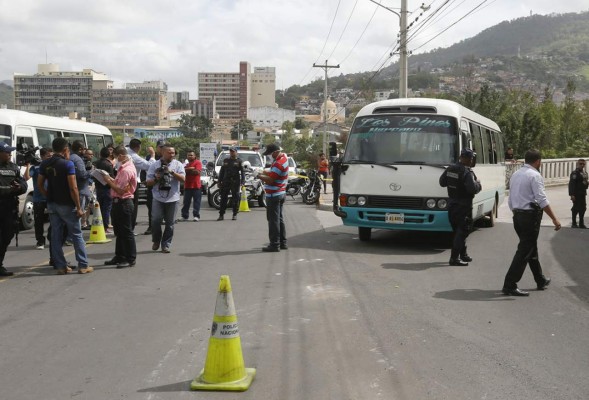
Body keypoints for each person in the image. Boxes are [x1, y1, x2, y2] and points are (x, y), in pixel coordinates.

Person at [502, 149, 560, 297]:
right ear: (538, 161)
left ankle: (540, 280)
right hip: (529, 218)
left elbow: (510, 198)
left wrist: (516, 211)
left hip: (517, 216)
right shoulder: (535, 175)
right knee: (524, 251)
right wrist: (554, 218)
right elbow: (541, 200)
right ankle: (509, 284)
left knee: (530, 249)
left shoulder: (516, 174)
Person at [38, 137, 93, 275]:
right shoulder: (67, 164)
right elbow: (73, 187)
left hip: (52, 204)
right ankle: (83, 265)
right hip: (67, 204)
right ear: (65, 149)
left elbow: (40, 184)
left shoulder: (45, 164)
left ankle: (61, 266)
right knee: (76, 235)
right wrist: (79, 207)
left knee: (56, 235)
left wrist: (48, 196)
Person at [439, 148, 482, 266]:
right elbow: (472, 189)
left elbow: (442, 183)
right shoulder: (466, 172)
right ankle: (454, 259)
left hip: (452, 206)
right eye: (471, 158)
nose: (472, 160)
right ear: (467, 159)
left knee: (458, 232)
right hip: (464, 208)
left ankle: (463, 254)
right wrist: (478, 184)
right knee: (462, 232)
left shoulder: (450, 168)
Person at [102, 146, 137, 268]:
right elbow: (118, 184)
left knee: (126, 232)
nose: (115, 159)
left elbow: (121, 190)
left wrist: (107, 180)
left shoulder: (127, 170)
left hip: (124, 202)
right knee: (119, 232)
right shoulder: (123, 168)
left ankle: (130, 258)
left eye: (115, 157)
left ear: (121, 156)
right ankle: (120, 256)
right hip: (118, 202)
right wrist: (111, 179)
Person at [146, 144, 185, 253]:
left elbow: (183, 179)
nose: (172, 155)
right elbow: (148, 182)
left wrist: (171, 172)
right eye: (169, 152)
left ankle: (166, 244)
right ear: (162, 153)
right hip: (158, 198)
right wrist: (156, 178)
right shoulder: (154, 165)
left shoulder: (178, 164)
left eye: (173, 153)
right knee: (155, 220)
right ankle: (156, 240)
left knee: (170, 223)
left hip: (173, 198)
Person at [0, 142, 28, 277]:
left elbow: (23, 183)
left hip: (9, 209)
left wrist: (19, 187)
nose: (10, 154)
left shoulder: (13, 167)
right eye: (7, 152)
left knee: (7, 236)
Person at [258, 143, 289, 252]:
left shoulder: (278, 163)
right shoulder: (283, 159)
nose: (270, 156)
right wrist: (263, 171)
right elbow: (273, 173)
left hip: (274, 195)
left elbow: (271, 180)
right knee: (279, 219)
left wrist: (258, 176)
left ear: (275, 152)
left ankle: (274, 244)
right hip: (280, 193)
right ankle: (282, 242)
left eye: (270, 154)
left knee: (273, 221)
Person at [128, 138, 155, 230]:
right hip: (132, 183)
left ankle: (127, 228)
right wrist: (152, 155)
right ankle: (130, 228)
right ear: (138, 147)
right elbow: (149, 166)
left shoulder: (125, 153)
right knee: (132, 207)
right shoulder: (134, 156)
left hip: (122, 183)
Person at [29, 148, 53, 249]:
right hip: (38, 199)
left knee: (54, 220)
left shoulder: (53, 167)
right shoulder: (35, 168)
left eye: (52, 156)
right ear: (42, 156)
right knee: (38, 221)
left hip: (51, 197)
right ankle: (40, 241)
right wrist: (27, 165)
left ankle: (50, 236)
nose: (50, 158)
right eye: (48, 156)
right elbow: (26, 177)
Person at [69, 140, 93, 230]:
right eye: (84, 149)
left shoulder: (70, 157)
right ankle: (74, 236)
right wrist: (91, 171)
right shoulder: (77, 159)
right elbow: (83, 175)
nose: (85, 152)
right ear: (80, 149)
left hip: (73, 189)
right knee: (78, 214)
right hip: (80, 190)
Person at [143, 139, 164, 235]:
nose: (162, 149)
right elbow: (145, 169)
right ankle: (151, 226)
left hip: (164, 187)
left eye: (164, 147)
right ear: (157, 147)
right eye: (161, 147)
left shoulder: (167, 157)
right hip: (152, 186)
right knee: (151, 207)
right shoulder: (150, 157)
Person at [217, 147, 245, 221]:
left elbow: (242, 172)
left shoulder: (239, 161)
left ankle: (235, 214)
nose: (232, 153)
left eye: (233, 151)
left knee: (235, 198)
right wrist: (219, 181)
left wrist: (243, 182)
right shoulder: (226, 160)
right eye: (231, 151)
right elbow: (222, 171)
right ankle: (221, 214)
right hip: (226, 181)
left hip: (235, 182)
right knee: (223, 198)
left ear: (236, 152)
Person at [94, 147, 115, 234]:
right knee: (106, 209)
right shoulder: (108, 164)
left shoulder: (95, 163)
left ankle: (101, 225)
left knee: (101, 208)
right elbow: (112, 177)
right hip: (107, 188)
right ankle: (105, 227)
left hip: (98, 188)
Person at [181, 150, 202, 222]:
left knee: (196, 202)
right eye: (188, 155)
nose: (190, 156)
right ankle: (184, 216)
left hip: (196, 186)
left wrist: (187, 170)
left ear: (195, 156)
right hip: (187, 186)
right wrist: (191, 168)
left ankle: (196, 216)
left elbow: (197, 172)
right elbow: (181, 171)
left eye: (191, 155)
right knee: (186, 202)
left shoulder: (198, 162)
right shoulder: (186, 164)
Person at [568, 158, 588, 228]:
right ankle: (574, 223)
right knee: (576, 208)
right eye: (580, 164)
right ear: (577, 164)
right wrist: (572, 194)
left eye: (583, 164)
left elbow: (585, 183)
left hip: (582, 193)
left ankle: (581, 223)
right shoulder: (574, 173)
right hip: (576, 194)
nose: (582, 165)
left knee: (583, 208)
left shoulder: (585, 173)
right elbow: (571, 184)